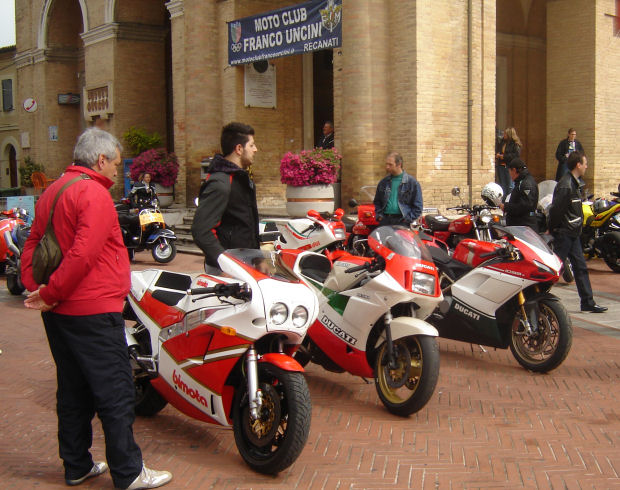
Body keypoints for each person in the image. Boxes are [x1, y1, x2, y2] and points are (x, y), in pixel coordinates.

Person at [20, 128, 172, 489]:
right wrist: (51, 291)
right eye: (116, 163)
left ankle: (76, 464)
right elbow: (83, 254)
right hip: (91, 308)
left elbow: (33, 241)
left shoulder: (53, 190)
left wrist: (36, 286)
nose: (119, 171)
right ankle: (128, 471)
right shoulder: (94, 194)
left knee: (73, 389)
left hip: (61, 311)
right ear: (100, 160)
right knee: (115, 390)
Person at [192, 122, 260, 271]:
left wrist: (258, 259)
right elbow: (201, 231)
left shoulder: (243, 179)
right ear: (239, 149)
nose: (255, 149)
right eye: (252, 145)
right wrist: (225, 265)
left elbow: (248, 224)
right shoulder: (220, 183)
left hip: (245, 264)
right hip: (226, 269)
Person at [548, 151, 607, 313]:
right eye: (585, 163)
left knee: (580, 267)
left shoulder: (575, 183)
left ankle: (588, 302)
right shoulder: (566, 185)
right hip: (564, 233)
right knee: (554, 268)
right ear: (578, 165)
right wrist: (552, 228)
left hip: (573, 233)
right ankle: (535, 295)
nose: (587, 166)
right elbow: (556, 210)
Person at [373, 152, 423, 226]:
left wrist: (408, 219)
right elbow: (377, 201)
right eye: (386, 164)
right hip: (385, 220)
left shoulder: (412, 183)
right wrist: (379, 216)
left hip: (402, 221)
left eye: (390, 164)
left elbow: (418, 206)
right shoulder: (383, 182)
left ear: (399, 164)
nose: (387, 167)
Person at [499, 158, 539, 231]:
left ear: (514, 170)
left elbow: (525, 206)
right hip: (520, 225)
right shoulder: (522, 182)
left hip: (524, 227)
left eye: (510, 172)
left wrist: (506, 207)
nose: (510, 176)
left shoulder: (526, 184)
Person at [495, 127, 522, 198]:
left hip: (510, 166)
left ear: (509, 135)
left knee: (510, 185)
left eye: (505, 134)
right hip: (501, 165)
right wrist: (498, 155)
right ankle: (504, 200)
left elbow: (515, 155)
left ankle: (510, 200)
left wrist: (504, 156)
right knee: (502, 185)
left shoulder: (515, 144)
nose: (503, 135)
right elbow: (499, 150)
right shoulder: (503, 142)